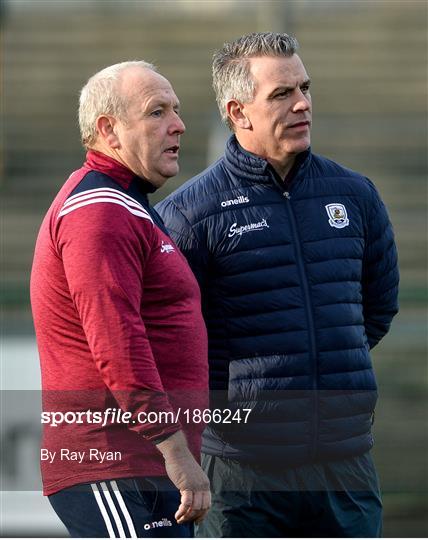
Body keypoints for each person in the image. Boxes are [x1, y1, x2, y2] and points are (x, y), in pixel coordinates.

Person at [156, 32, 399, 537]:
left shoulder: (354, 195)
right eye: (282, 94)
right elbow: (169, 341)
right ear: (238, 112)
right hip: (242, 472)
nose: (302, 104)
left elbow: (374, 311)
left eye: (305, 88)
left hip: (345, 463)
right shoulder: (188, 215)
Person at [30, 61, 210, 538]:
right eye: (157, 112)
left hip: (141, 463)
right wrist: (174, 452)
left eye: (176, 110)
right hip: (115, 463)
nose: (178, 124)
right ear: (109, 130)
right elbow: (118, 344)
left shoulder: (127, 205)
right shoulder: (100, 212)